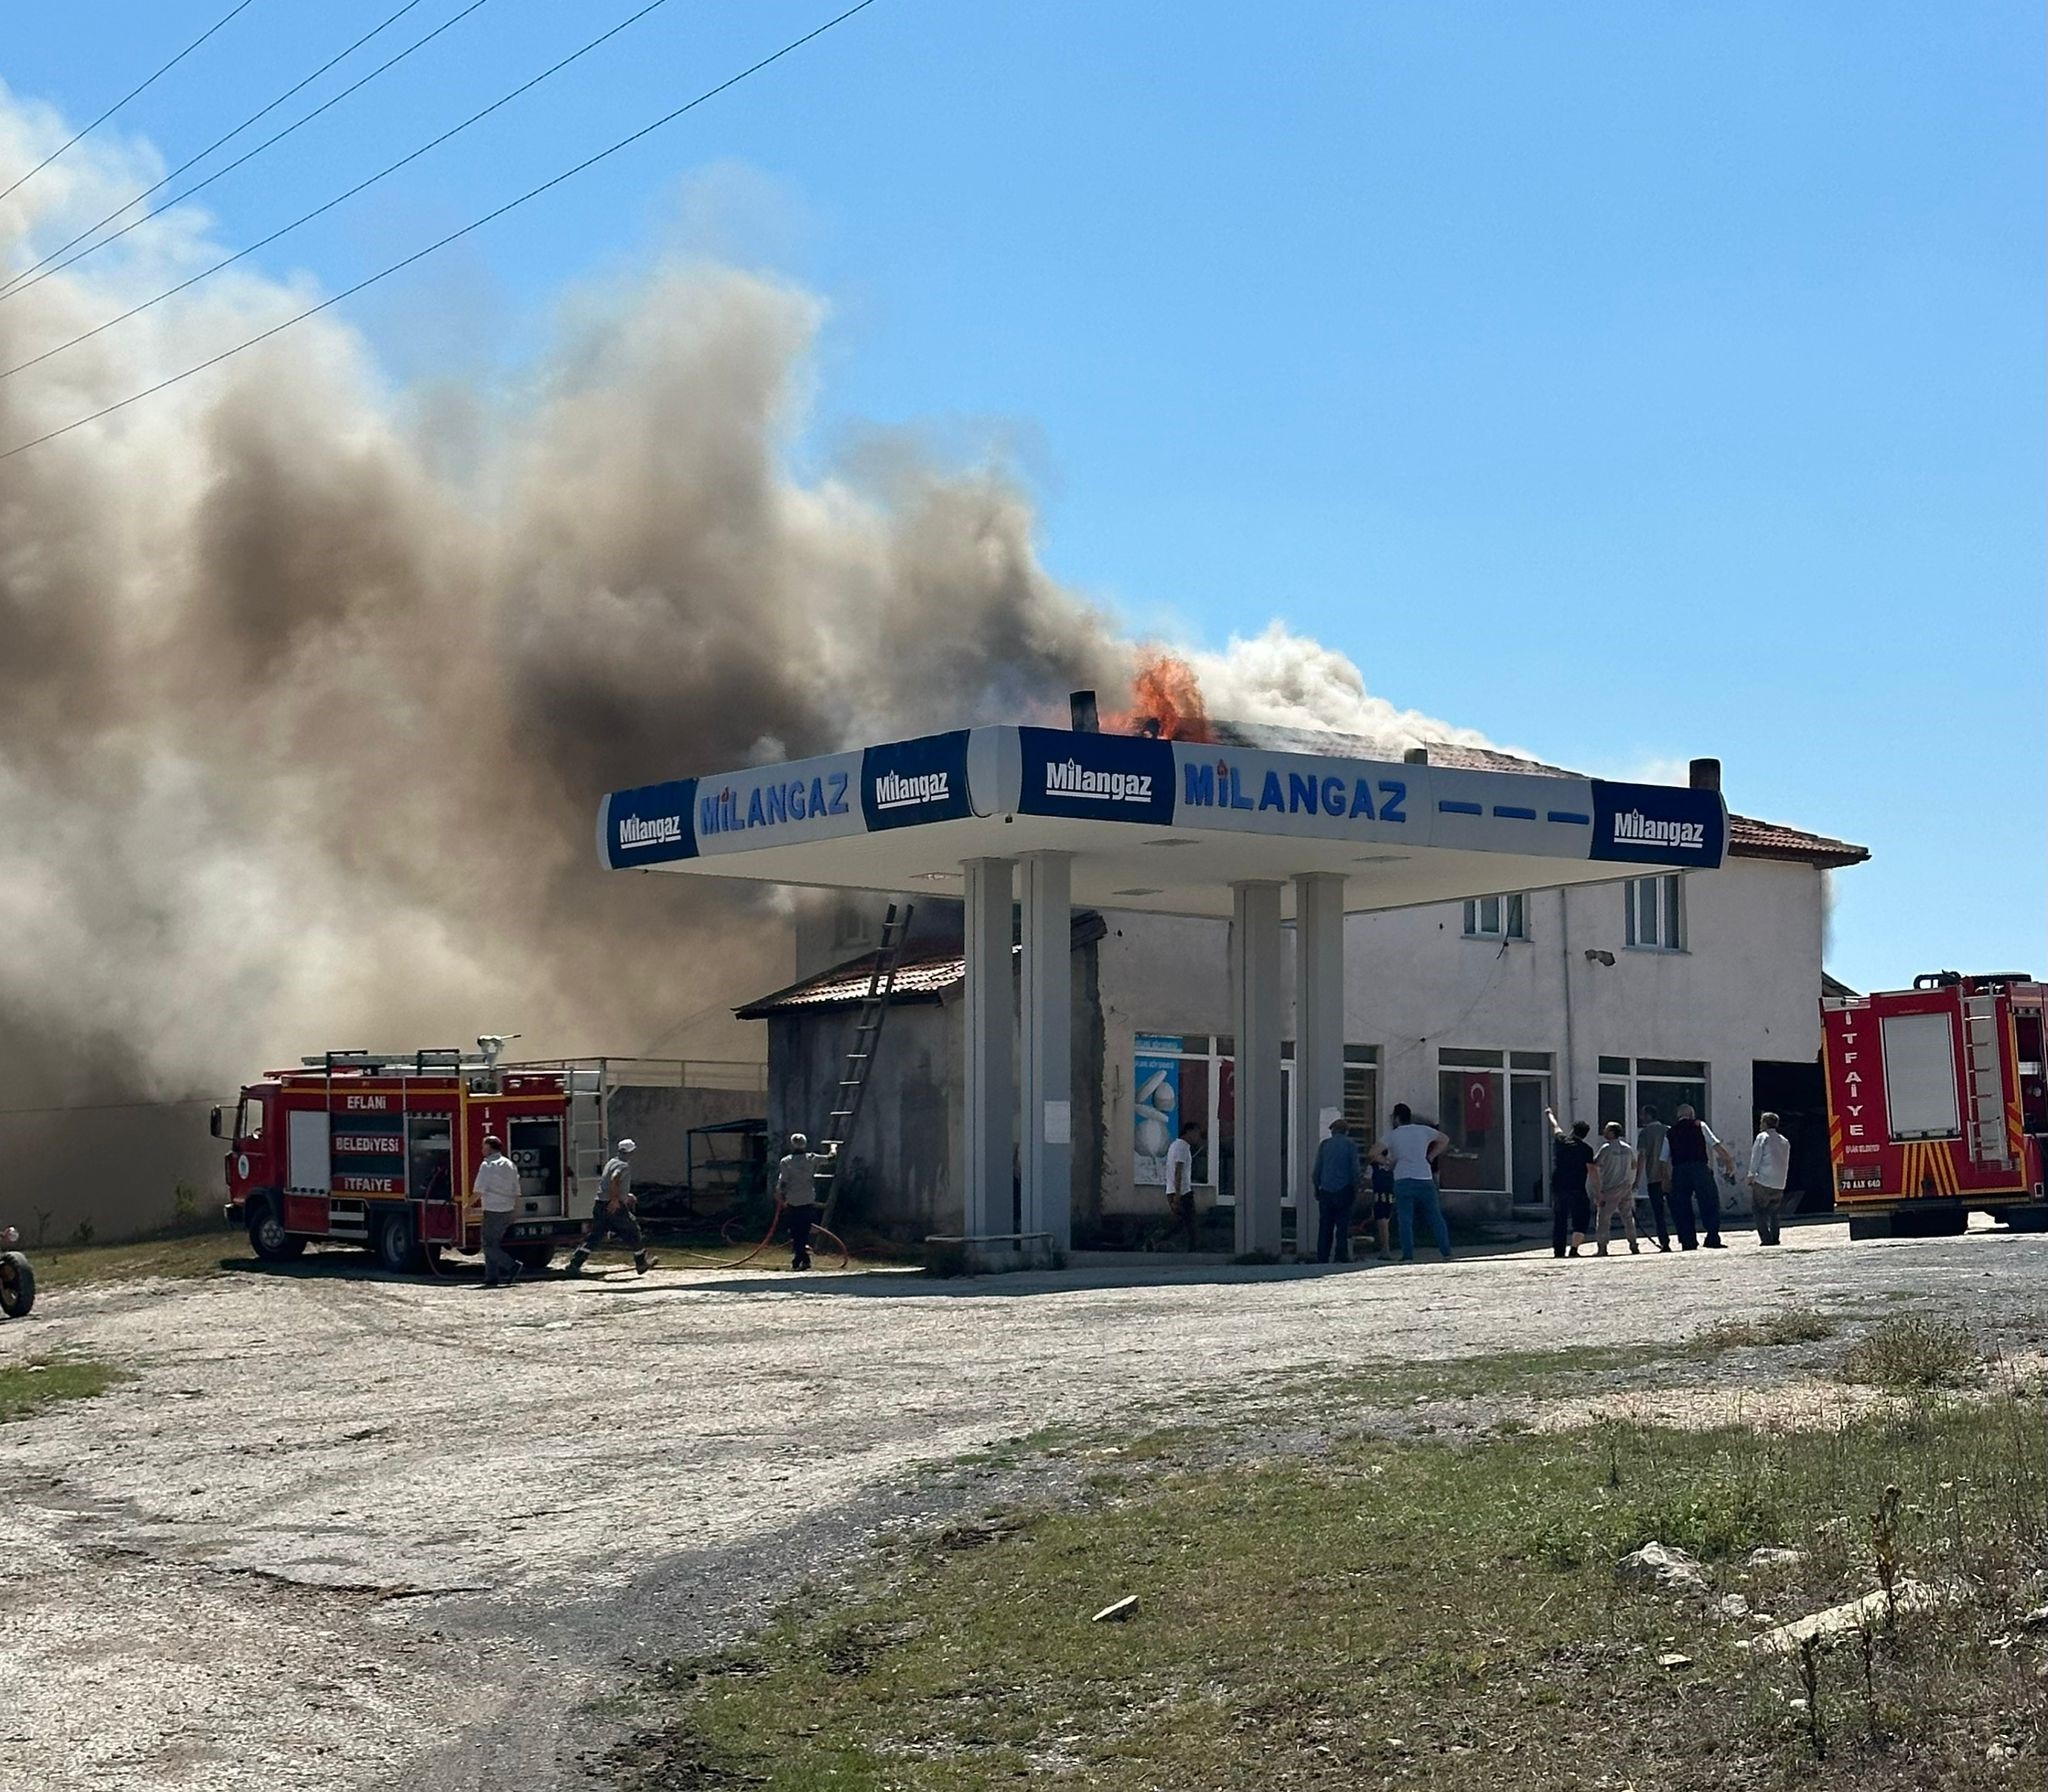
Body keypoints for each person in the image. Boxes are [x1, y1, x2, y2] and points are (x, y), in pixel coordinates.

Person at [1370, 1103, 1452, 1263]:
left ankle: (1407, 1254)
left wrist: (1388, 1162)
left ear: (1397, 1118)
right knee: (1435, 1216)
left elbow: (1373, 1153)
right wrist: (1431, 1156)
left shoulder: (1392, 1135)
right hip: (1424, 1177)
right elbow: (1444, 1139)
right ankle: (1446, 1251)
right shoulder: (1423, 1130)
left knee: (1405, 1218)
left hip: (1402, 1179)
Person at [567, 1138, 654, 1276]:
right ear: (631, 1152)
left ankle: (574, 1264)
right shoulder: (623, 1166)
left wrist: (626, 1195)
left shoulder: (611, 1162)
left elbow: (609, 1183)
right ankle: (641, 1262)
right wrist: (615, 1200)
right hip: (614, 1207)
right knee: (633, 1230)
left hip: (600, 1204)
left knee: (595, 1236)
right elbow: (615, 1178)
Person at [1660, 1104, 1737, 1249]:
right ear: (1691, 1114)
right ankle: (1712, 1237)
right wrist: (1728, 1161)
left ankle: (1688, 1240)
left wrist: (1666, 1179)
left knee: (1681, 1205)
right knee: (1709, 1201)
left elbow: (1663, 1159)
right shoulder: (1699, 1125)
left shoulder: (1670, 1132)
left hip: (1680, 1170)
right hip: (1699, 1167)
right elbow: (1715, 1144)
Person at [775, 1132, 838, 1270]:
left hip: (792, 1201)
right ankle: (802, 1258)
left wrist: (781, 1195)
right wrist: (833, 1147)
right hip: (807, 1199)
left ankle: (800, 1258)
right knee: (803, 1230)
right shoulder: (811, 1158)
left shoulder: (786, 1161)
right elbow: (830, 1158)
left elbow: (784, 1182)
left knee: (795, 1231)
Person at [1544, 1108, 1597, 1258]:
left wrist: (1550, 1115)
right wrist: (1597, 1191)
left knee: (1560, 1219)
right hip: (1578, 1188)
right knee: (1581, 1218)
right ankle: (1574, 1248)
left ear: (1573, 1130)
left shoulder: (1562, 1141)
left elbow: (1555, 1127)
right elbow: (1592, 1171)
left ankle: (1558, 1251)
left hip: (1559, 1186)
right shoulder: (1587, 1150)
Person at [1308, 1117, 1362, 1264]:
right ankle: (1340, 1255)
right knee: (1342, 1225)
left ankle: (1322, 1256)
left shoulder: (1324, 1145)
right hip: (1344, 1190)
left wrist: (1316, 1187)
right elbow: (1355, 1171)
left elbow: (1317, 1170)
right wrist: (1357, 1190)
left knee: (1325, 1225)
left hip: (1325, 1190)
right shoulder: (1350, 1145)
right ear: (1346, 1131)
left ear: (1333, 1130)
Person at [472, 1133, 522, 1288]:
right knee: (493, 1243)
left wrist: (467, 1207)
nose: (481, 1149)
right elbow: (517, 1190)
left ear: (489, 1148)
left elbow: (479, 1190)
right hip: (507, 1209)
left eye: (483, 1146)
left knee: (488, 1245)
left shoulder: (487, 1165)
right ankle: (491, 1277)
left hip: (493, 1209)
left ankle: (511, 1265)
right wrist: (515, 1210)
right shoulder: (509, 1164)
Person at [1591, 1121, 1640, 1256]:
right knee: (1628, 1218)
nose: (1604, 1131)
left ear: (1612, 1132)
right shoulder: (1628, 1148)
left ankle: (1602, 1247)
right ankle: (1633, 1245)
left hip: (1610, 1187)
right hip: (1625, 1187)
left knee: (1604, 1219)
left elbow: (1595, 1164)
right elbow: (1634, 1165)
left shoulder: (1606, 1148)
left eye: (1606, 1130)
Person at [1748, 1111, 1793, 1246]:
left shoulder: (1763, 1137)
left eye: (1762, 1122)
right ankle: (1775, 1237)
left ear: (1765, 1123)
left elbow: (1756, 1156)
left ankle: (1765, 1238)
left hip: (1764, 1180)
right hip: (1779, 1182)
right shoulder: (1784, 1141)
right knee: (1774, 1212)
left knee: (1758, 1210)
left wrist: (1751, 1174)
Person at [1635, 1106, 1674, 1253]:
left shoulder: (1645, 1133)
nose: (1640, 1118)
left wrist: (1637, 1180)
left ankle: (1665, 1242)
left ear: (1649, 1116)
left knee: (1658, 1213)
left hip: (1653, 1177)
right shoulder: (1668, 1130)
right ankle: (1685, 1238)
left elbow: (1642, 1157)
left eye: (1642, 1115)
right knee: (1676, 1209)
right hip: (1669, 1176)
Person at [1164, 1120, 1203, 1251]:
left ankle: (1157, 1239)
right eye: (1196, 1133)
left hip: (1172, 1190)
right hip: (1182, 1192)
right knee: (1190, 1222)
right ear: (1189, 1132)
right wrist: (1178, 1194)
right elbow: (1178, 1171)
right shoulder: (1182, 1146)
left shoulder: (1174, 1145)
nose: (1198, 1137)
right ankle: (1193, 1248)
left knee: (1180, 1221)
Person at [1367, 1157, 1395, 1260]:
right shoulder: (1393, 1165)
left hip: (1379, 1196)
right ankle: (1385, 1248)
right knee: (1385, 1222)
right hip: (1392, 1197)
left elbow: (1368, 1181)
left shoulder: (1373, 1166)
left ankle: (1385, 1249)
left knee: (1381, 1223)